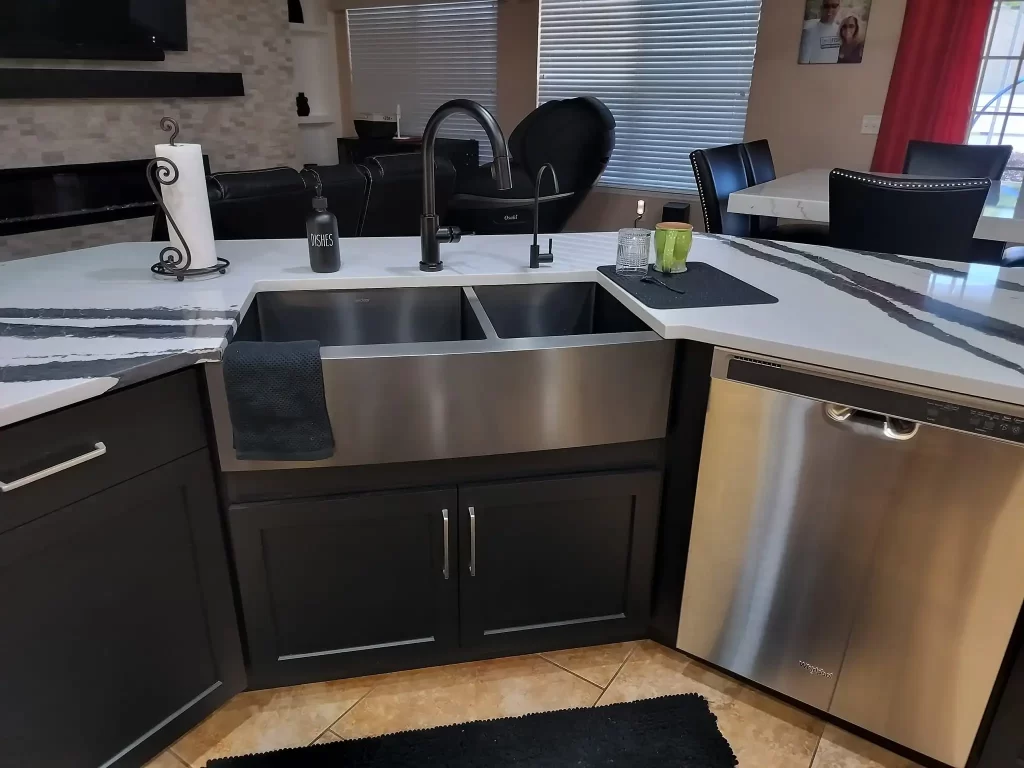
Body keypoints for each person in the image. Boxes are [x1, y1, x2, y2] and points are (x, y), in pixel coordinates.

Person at [799, 0, 841, 64]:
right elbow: (803, 62)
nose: (830, 9)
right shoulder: (808, 29)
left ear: (839, 8)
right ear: (821, 8)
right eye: (826, 6)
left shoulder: (841, 30)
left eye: (834, 6)